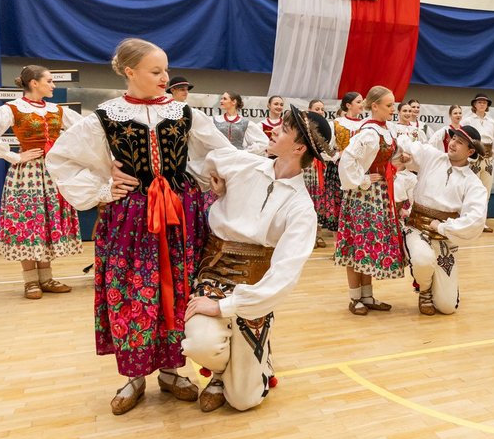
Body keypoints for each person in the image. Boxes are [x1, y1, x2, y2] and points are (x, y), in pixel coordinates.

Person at [46, 38, 231, 415]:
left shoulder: (184, 113)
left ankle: (171, 371)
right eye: (156, 71)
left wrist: (215, 178)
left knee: (177, 291)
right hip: (130, 220)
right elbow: (61, 159)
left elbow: (218, 152)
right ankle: (134, 377)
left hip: (178, 215)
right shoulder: (105, 116)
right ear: (130, 72)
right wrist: (103, 186)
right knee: (133, 295)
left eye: (165, 69)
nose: (165, 77)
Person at [182, 106, 332, 412]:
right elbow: (203, 158)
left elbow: (285, 273)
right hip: (213, 271)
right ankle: (221, 373)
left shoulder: (301, 208)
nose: (274, 128)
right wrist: (215, 187)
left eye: (285, 129)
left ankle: (250, 359)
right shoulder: (242, 164)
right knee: (200, 344)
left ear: (299, 147)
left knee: (244, 401)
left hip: (252, 287)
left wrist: (225, 306)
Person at [0, 65, 83, 299]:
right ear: (34, 83)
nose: (53, 85)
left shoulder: (57, 110)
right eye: (49, 80)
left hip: (52, 173)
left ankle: (46, 277)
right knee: (27, 224)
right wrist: (14, 155)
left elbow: (85, 132)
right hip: (26, 175)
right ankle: (30, 281)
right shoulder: (12, 109)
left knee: (45, 223)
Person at [397, 126, 487, 315]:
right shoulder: (432, 156)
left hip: (443, 235)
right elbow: (404, 142)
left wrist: (444, 227)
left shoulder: (473, 183)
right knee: (423, 260)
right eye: (453, 138)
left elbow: (476, 218)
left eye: (460, 142)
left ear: (470, 151)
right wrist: (404, 157)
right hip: (416, 227)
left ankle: (437, 286)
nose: (452, 143)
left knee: (447, 308)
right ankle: (424, 290)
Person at [335, 86, 404, 315]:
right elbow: (347, 160)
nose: (393, 109)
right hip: (363, 195)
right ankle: (355, 298)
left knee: (368, 245)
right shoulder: (368, 132)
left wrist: (399, 160)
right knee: (357, 245)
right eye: (389, 105)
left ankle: (367, 296)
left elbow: (387, 158)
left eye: (393, 104)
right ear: (374, 106)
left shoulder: (386, 130)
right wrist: (363, 179)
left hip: (379, 194)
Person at [321, 92, 363, 233]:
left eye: (362, 101)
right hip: (338, 170)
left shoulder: (366, 125)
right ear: (348, 105)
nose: (362, 104)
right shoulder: (336, 124)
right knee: (337, 206)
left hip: (359, 168)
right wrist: (340, 154)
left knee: (357, 205)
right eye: (358, 102)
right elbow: (324, 149)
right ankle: (337, 246)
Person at [462, 94, 494, 233]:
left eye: (484, 103)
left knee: (485, 191)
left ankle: (482, 222)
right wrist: (468, 157)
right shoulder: (467, 121)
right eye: (479, 102)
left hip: (486, 160)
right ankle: (467, 220)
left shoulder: (492, 123)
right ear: (474, 105)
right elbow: (463, 139)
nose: (482, 104)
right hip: (472, 158)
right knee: (470, 189)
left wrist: (491, 157)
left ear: (487, 105)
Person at [301, 98, 331, 248]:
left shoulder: (325, 129)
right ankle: (304, 236)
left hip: (319, 168)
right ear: (310, 110)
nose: (320, 112)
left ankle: (317, 235)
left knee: (318, 201)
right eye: (317, 109)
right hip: (306, 166)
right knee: (305, 200)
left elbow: (329, 150)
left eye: (322, 109)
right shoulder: (303, 126)